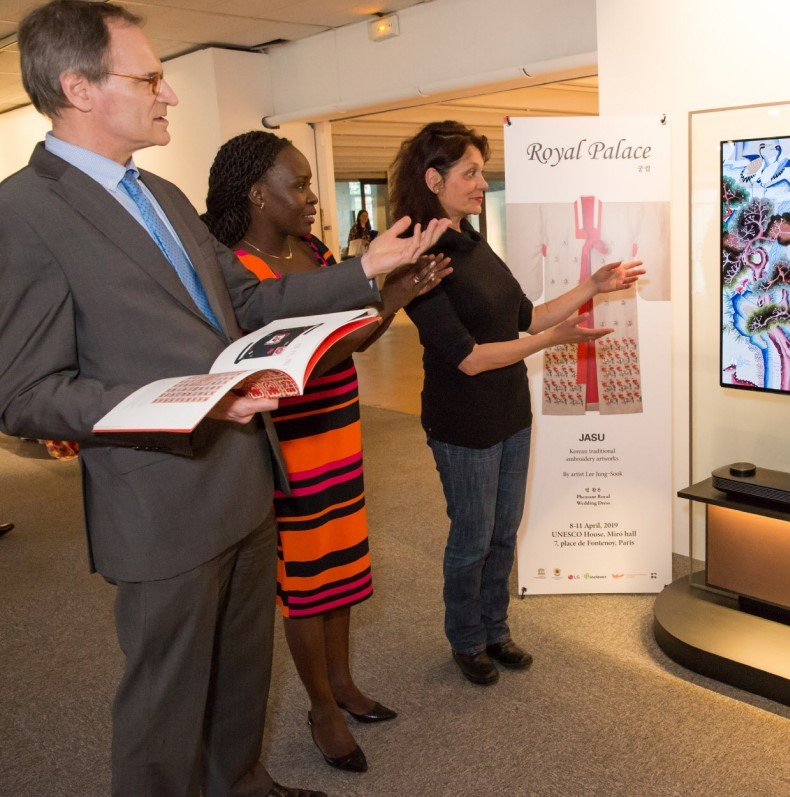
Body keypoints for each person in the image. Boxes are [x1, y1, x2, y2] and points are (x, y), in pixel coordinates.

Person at [0, 3, 448, 796]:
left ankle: (243, 782)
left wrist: (364, 270)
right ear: (78, 87)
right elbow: (26, 395)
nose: (168, 94)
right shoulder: (23, 213)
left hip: (245, 481)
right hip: (159, 506)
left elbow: (249, 298)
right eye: (150, 78)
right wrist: (189, 402)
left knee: (243, 675)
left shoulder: (164, 195)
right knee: (163, 715)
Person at [202, 131, 448, 774]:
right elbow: (300, 364)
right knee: (306, 585)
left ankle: (341, 681)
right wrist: (391, 294)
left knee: (341, 570)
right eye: (300, 184)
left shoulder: (315, 253)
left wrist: (394, 298)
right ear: (257, 193)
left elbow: (358, 343)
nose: (313, 198)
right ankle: (320, 707)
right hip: (288, 445)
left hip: (339, 431)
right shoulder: (239, 271)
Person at [392, 120, 643, 684]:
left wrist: (593, 286)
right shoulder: (417, 260)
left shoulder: (475, 244)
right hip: (463, 422)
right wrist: (550, 344)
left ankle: (495, 630)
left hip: (510, 413)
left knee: (505, 533)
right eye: (470, 173)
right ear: (433, 179)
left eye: (482, 171)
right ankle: (465, 640)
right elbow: (469, 357)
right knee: (472, 538)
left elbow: (527, 316)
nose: (483, 183)